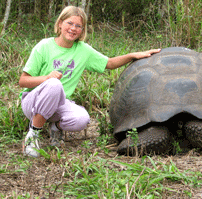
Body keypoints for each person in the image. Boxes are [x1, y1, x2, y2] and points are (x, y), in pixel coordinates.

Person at [19, 5, 161, 157]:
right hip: (33, 102)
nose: (73, 28)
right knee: (54, 85)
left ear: (82, 30)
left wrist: (133, 55)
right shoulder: (44, 46)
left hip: (59, 104)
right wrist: (46, 78)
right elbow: (23, 81)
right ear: (60, 23)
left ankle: (56, 127)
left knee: (82, 119)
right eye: (69, 23)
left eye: (78, 26)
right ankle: (32, 137)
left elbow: (109, 63)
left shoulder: (83, 50)